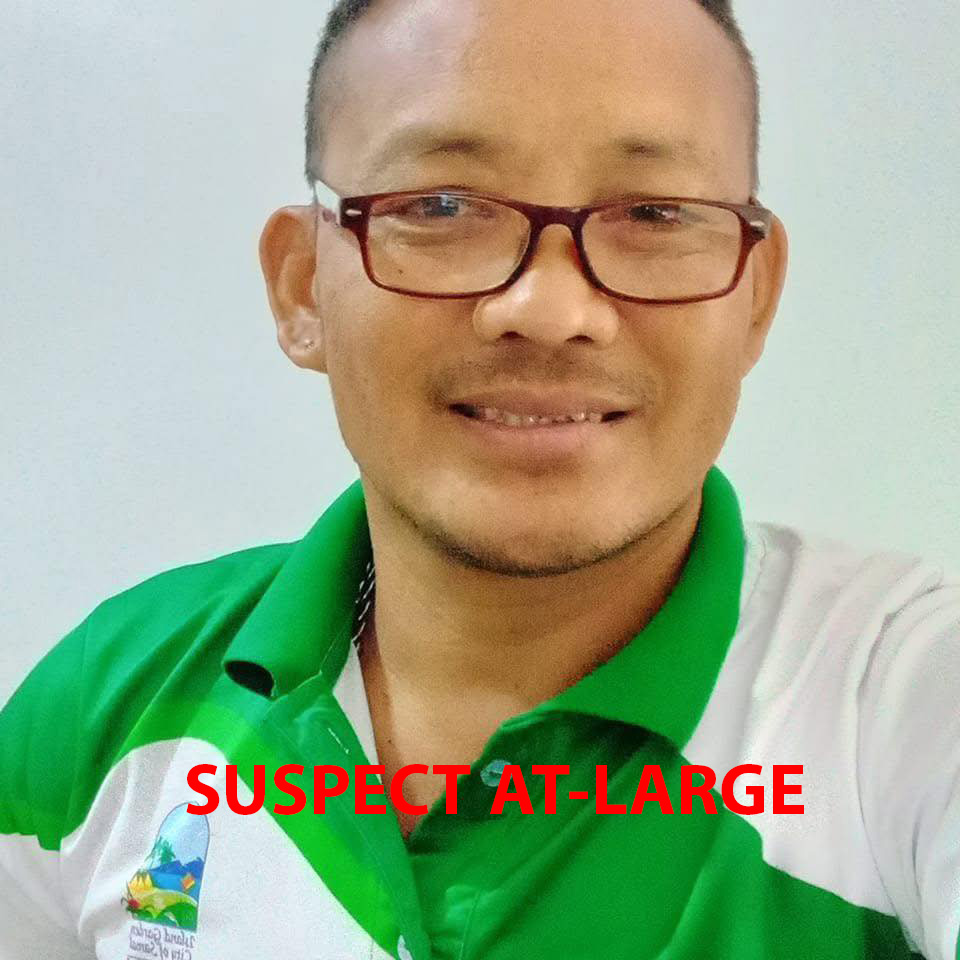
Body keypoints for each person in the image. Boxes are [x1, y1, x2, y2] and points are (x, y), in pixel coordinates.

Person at [1, 0, 957, 957]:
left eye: (654, 214)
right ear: (302, 288)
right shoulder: (112, 702)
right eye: (442, 207)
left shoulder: (899, 700)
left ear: (756, 296)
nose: (550, 309)